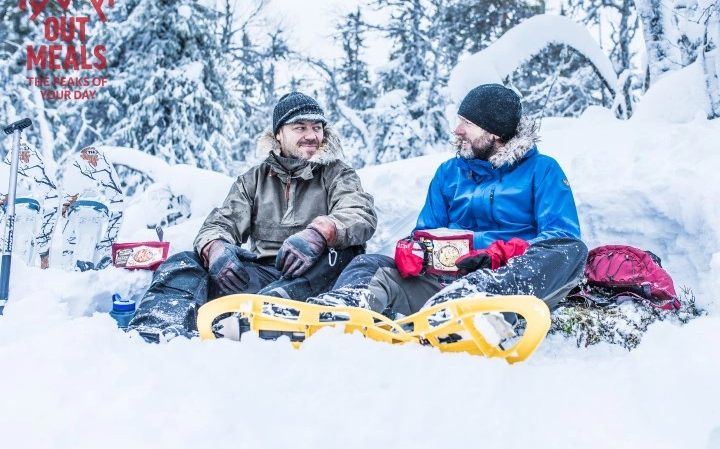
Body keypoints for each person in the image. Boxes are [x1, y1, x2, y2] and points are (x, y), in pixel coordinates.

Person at [307, 84, 587, 325]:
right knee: (368, 264)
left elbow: (558, 236)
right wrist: (413, 251)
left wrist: (499, 255)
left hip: (509, 281)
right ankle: (343, 311)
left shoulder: (542, 170)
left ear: (496, 133)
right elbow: (424, 232)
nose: (458, 130)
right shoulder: (448, 173)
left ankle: (479, 306)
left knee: (570, 251)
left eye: (467, 123)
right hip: (445, 282)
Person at [127, 92, 378, 343]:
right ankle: (156, 328)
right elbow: (221, 222)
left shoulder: (337, 174)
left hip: (319, 274)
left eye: (317, 127)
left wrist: (320, 233)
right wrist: (215, 248)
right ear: (278, 134)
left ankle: (257, 318)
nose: (311, 135)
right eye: (300, 127)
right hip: (267, 273)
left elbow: (358, 212)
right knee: (185, 262)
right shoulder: (254, 179)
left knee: (349, 253)